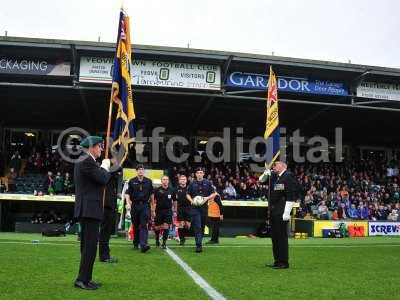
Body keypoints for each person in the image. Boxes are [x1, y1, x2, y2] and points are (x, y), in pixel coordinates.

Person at [73, 136, 111, 290]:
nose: (101, 149)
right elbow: (103, 178)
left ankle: (86, 278)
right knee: (89, 247)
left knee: (88, 246)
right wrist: (105, 166)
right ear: (91, 147)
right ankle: (82, 279)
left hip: (89, 209)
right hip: (89, 209)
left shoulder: (85, 160)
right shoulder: (86, 161)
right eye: (99, 146)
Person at [259, 161, 297, 269]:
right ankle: (277, 261)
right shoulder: (277, 177)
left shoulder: (288, 176)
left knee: (281, 237)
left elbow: (291, 194)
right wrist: (265, 173)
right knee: (275, 237)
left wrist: (287, 212)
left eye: (276, 165)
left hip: (281, 211)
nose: (273, 166)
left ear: (283, 166)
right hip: (274, 211)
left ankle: (284, 262)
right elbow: (260, 180)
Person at [187, 167, 217, 253]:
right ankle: (198, 245)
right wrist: (192, 201)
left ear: (203, 174)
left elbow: (214, 193)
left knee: (202, 227)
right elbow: (187, 194)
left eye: (201, 172)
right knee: (197, 226)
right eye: (198, 172)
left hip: (204, 208)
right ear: (196, 174)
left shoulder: (208, 183)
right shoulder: (192, 183)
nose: (199, 174)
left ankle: (199, 241)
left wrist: (206, 198)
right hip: (195, 208)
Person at [125, 164, 153, 253]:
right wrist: (128, 203)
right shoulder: (132, 181)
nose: (140, 171)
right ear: (136, 171)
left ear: (144, 171)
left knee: (143, 224)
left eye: (142, 169)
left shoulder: (149, 181)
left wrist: (152, 207)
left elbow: (152, 194)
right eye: (139, 169)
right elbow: (128, 193)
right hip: (135, 206)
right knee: (136, 225)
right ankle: (136, 243)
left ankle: (143, 245)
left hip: (145, 205)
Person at [98, 164, 121, 263]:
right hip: (106, 206)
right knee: (104, 232)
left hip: (110, 206)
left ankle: (105, 254)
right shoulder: (106, 175)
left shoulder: (109, 176)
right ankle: (104, 256)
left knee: (106, 233)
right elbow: (117, 168)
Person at [152, 175, 176, 249]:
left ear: (168, 181)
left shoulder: (172, 190)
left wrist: (175, 210)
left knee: (166, 226)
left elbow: (175, 201)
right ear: (161, 181)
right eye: (164, 179)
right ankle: (157, 240)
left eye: (166, 179)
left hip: (168, 211)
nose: (165, 181)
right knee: (157, 227)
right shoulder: (157, 190)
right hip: (158, 211)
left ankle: (164, 243)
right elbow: (153, 201)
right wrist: (153, 210)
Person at [175, 175, 191, 246]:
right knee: (181, 224)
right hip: (180, 208)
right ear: (179, 181)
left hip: (189, 208)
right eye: (181, 179)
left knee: (188, 225)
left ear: (186, 180)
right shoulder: (176, 189)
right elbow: (174, 199)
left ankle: (184, 236)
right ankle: (182, 239)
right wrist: (175, 209)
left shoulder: (189, 188)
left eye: (184, 179)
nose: (183, 180)